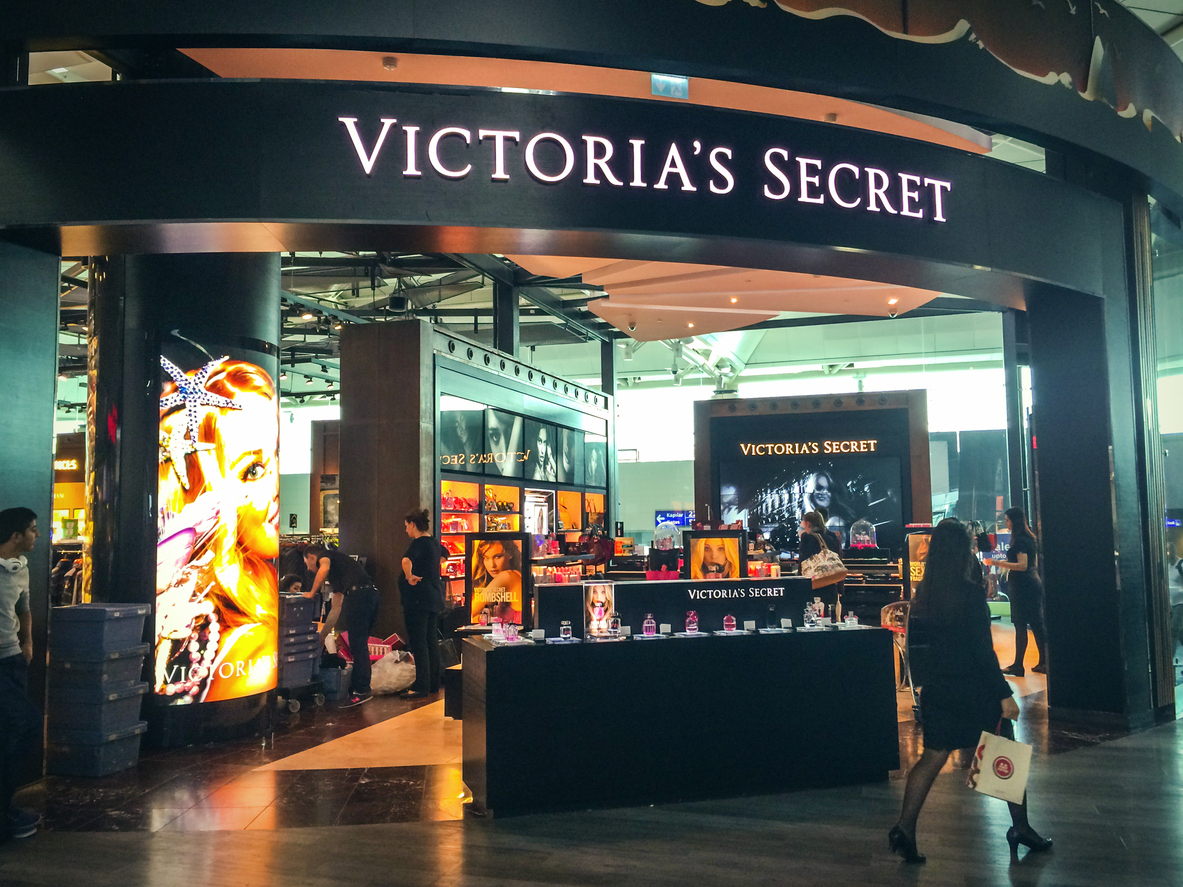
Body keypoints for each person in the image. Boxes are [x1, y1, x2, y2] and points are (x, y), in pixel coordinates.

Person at [889, 519, 1051, 864]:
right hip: (973, 689)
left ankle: (904, 828)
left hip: (939, 689)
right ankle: (1021, 827)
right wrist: (1003, 693)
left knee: (932, 756)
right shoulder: (971, 594)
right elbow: (982, 652)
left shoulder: (925, 595)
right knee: (1004, 747)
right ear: (963, 552)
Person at [154, 357, 279, 704]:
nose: (275, 488)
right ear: (202, 491)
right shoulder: (248, 643)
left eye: (276, 457)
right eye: (253, 471)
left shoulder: (260, 590)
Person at [0, 507, 43, 842]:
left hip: (13, 659)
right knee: (26, 723)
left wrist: (27, 641)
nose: (37, 535)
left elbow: (23, 608)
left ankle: (5, 807)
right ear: (15, 535)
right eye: (32, 529)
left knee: (9, 735)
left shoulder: (21, 569)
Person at [305, 543, 380, 707]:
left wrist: (311, 593)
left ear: (311, 557)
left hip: (358, 596)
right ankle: (361, 686)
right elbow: (336, 608)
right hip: (370, 595)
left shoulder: (325, 555)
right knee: (359, 643)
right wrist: (323, 636)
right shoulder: (339, 572)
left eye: (307, 564)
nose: (309, 569)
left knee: (357, 644)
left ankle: (362, 689)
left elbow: (323, 568)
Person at [983, 507, 1048, 676]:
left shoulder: (1019, 541)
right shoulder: (1029, 538)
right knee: (1036, 624)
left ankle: (1018, 665)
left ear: (1014, 521)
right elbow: (1029, 564)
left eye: (1007, 520)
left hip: (1023, 586)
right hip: (1032, 583)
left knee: (1020, 624)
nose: (1006, 523)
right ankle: (1044, 662)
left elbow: (1022, 565)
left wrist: (996, 563)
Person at [399, 508, 447, 699]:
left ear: (413, 524)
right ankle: (433, 683)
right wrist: (430, 568)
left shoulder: (418, 543)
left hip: (418, 599)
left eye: (406, 526)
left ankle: (421, 686)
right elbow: (445, 554)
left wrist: (409, 576)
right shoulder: (434, 542)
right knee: (430, 640)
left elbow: (405, 560)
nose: (406, 530)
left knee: (419, 642)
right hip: (433, 596)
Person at [798, 511, 843, 615]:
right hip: (831, 585)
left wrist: (800, 586)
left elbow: (803, 563)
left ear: (807, 524)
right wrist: (840, 588)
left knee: (812, 616)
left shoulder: (807, 538)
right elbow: (839, 561)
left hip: (813, 586)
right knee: (829, 617)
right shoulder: (833, 537)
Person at [471, 539, 523, 623]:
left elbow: (469, 612)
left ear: (510, 554)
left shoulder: (507, 577)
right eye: (486, 558)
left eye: (498, 557)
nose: (492, 565)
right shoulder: (516, 574)